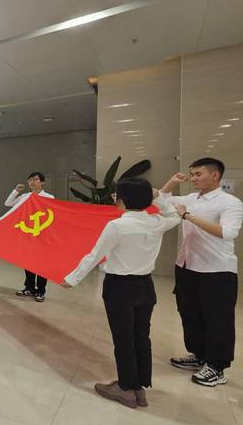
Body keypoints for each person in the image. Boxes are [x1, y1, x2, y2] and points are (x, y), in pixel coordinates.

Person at [63, 179, 180, 408]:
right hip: (146, 286)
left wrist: (72, 279)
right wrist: (158, 198)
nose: (114, 197)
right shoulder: (157, 222)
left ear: (123, 199)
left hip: (120, 288)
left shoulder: (117, 226)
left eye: (117, 194)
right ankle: (139, 387)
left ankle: (126, 388)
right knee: (141, 336)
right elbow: (175, 215)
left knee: (123, 338)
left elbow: (95, 255)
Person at [160, 158, 243, 387]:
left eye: (198, 174)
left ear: (215, 175)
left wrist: (188, 216)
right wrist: (172, 182)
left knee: (217, 318)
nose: (193, 178)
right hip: (187, 265)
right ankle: (199, 355)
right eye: (192, 174)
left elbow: (228, 233)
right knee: (190, 313)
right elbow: (160, 201)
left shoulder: (230, 202)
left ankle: (217, 366)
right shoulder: (191, 198)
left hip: (216, 269)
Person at [5, 172, 55, 301]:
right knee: (28, 262)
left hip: (43, 235)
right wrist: (16, 190)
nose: (32, 182)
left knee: (42, 264)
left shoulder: (49, 197)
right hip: (28, 234)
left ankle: (41, 291)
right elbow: (8, 203)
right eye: (30, 180)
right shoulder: (25, 197)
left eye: (35, 179)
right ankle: (29, 288)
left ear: (42, 182)